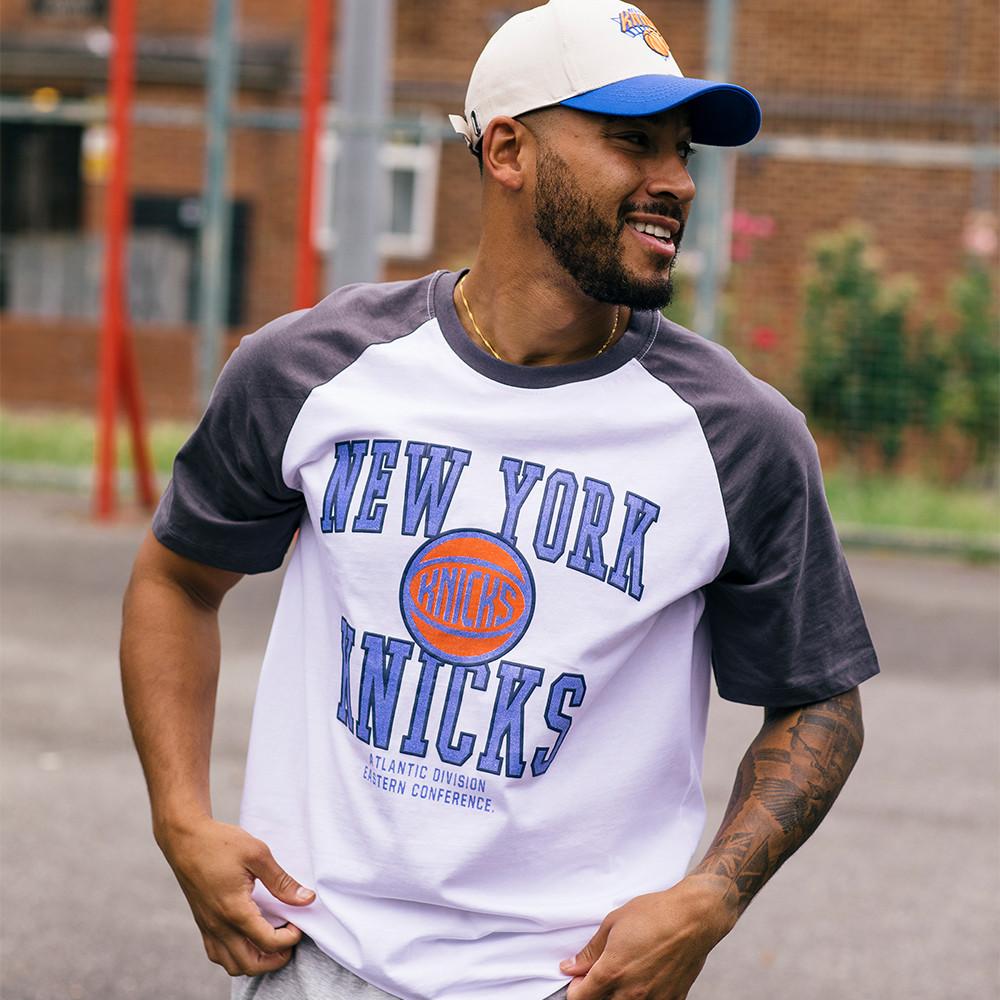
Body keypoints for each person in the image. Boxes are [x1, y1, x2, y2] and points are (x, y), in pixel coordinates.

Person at [121, 2, 879, 998]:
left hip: (569, 981)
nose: (676, 182)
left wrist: (711, 895)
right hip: (316, 956)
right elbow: (176, 577)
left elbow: (818, 698)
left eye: (681, 151)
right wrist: (180, 816)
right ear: (509, 151)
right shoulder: (315, 370)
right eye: (632, 142)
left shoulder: (736, 434)